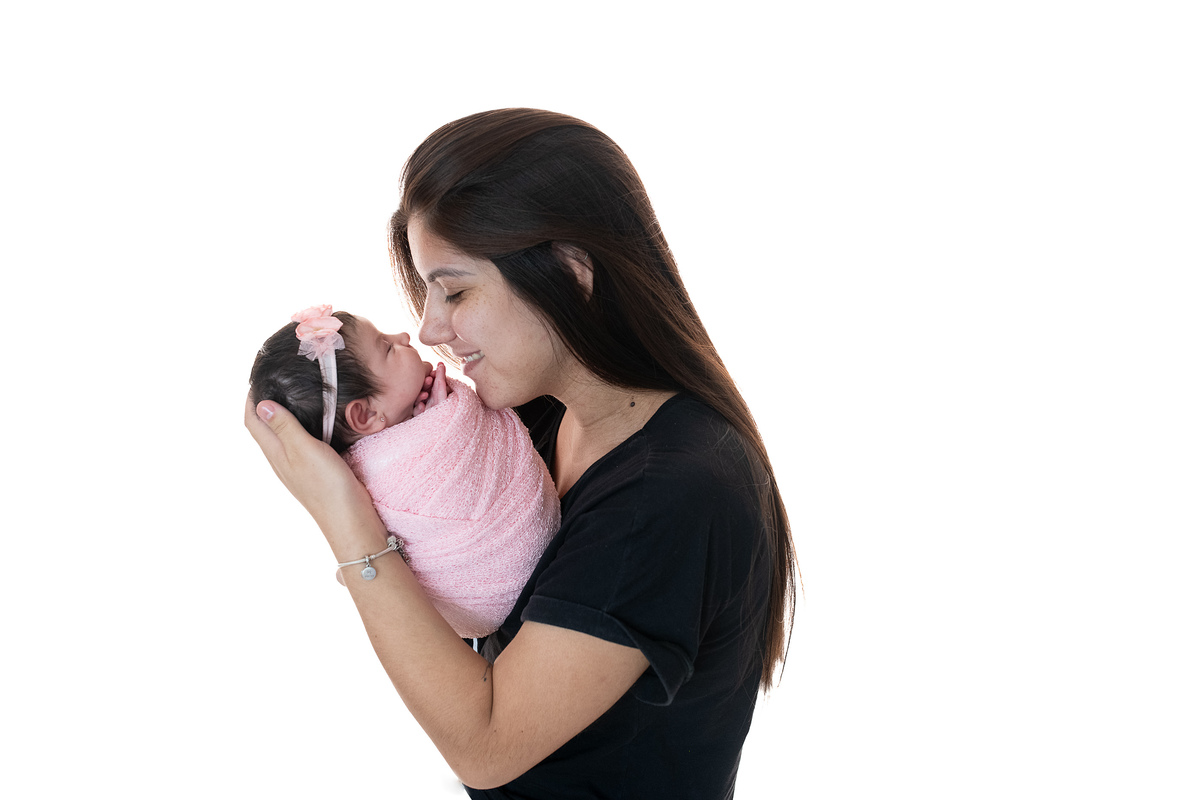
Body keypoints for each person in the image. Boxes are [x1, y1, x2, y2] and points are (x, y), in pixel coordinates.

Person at [246, 108, 798, 798]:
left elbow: (486, 747)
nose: (429, 329)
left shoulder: (670, 493)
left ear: (569, 271)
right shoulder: (526, 424)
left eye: (455, 290)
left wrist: (344, 517)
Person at [249, 305, 559, 637]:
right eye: (386, 347)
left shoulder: (418, 434)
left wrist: (435, 424)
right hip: (492, 591)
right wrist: (445, 426)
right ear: (366, 415)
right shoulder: (366, 484)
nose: (404, 336)